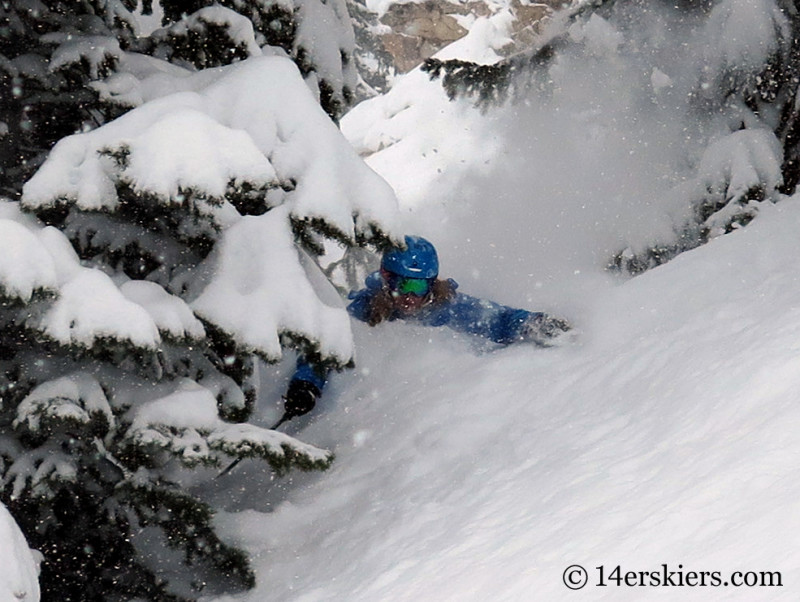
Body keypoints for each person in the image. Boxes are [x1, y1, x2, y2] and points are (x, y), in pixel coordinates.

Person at [281, 235, 572, 421]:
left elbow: (497, 319)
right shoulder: (361, 313)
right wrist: (306, 384)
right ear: (386, 279)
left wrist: (533, 323)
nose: (410, 296)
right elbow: (327, 352)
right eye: (402, 284)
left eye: (418, 285)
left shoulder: (447, 307)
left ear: (432, 284)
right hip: (375, 414)